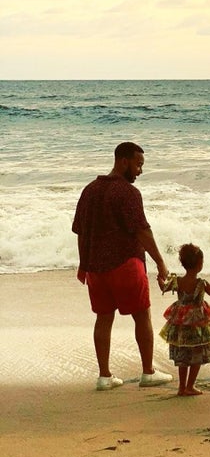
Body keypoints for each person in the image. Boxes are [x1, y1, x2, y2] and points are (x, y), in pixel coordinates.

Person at [72, 142, 173, 391]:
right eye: (138, 164)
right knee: (142, 316)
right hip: (126, 264)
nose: (140, 171)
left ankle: (104, 376)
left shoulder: (90, 190)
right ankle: (148, 372)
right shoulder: (127, 192)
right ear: (123, 161)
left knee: (103, 319)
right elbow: (141, 231)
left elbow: (80, 232)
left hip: (96, 268)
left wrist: (83, 264)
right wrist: (161, 262)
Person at [159, 243, 210, 396]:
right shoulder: (201, 284)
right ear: (199, 265)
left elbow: (163, 288)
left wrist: (160, 278)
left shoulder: (177, 281)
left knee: (182, 355)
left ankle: (181, 387)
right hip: (197, 325)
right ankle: (190, 386)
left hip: (181, 325)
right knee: (197, 355)